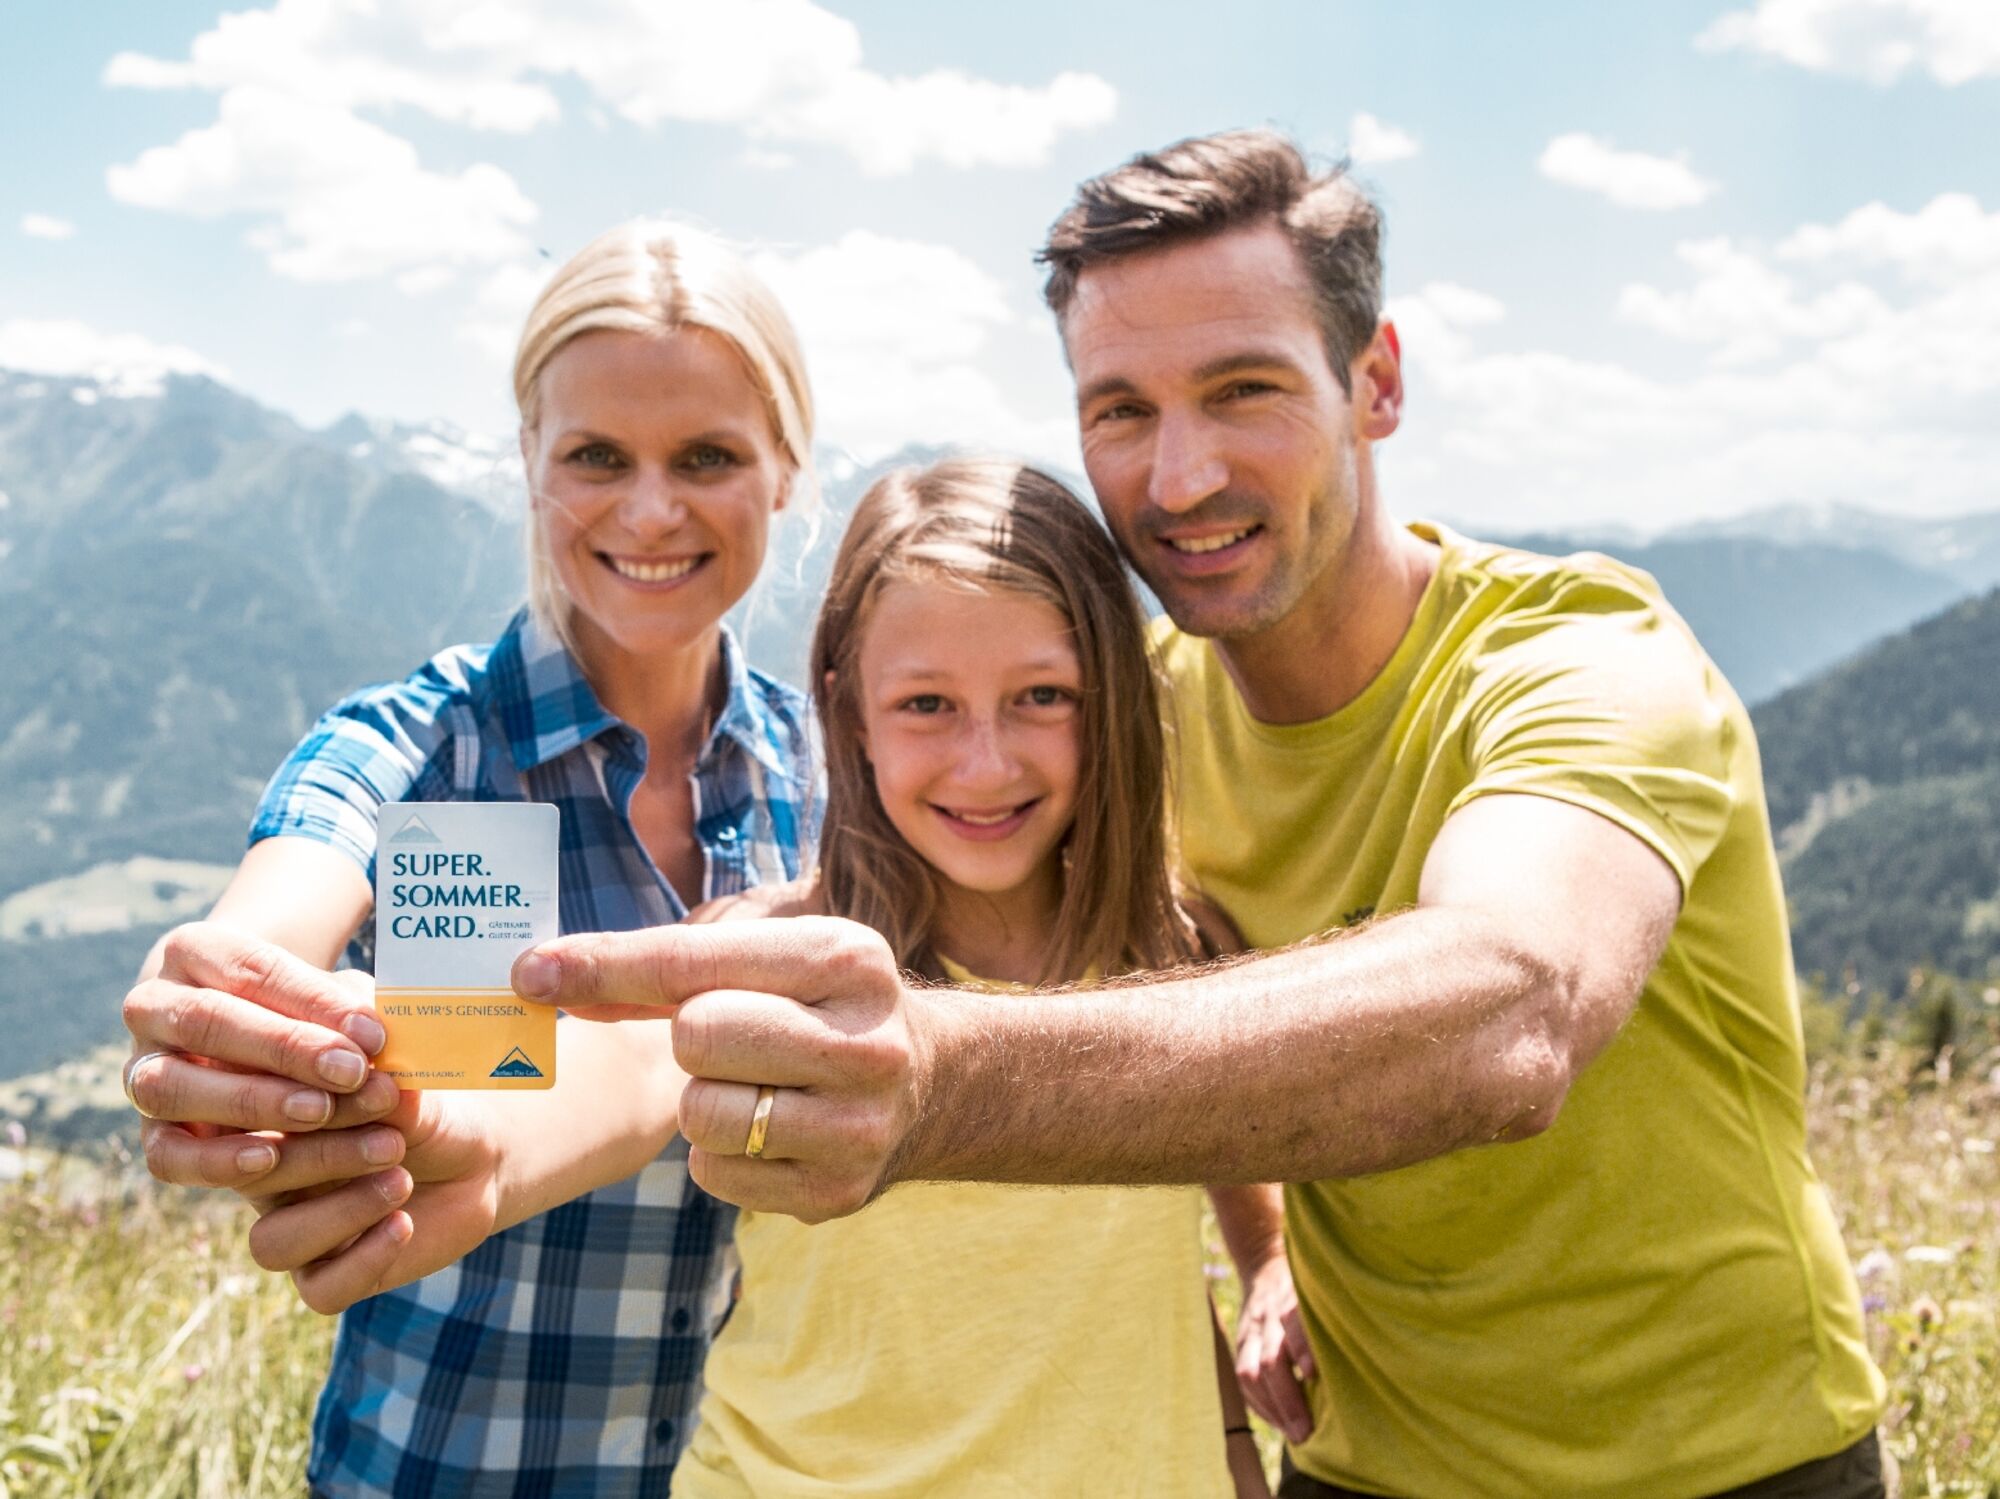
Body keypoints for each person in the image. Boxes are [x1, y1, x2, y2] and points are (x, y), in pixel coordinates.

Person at [139, 129, 1889, 1496]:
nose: (1180, 470)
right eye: (1122, 409)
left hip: (1699, 1461)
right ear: (523, 461)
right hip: (485, 1443)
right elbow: (553, 1060)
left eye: (1246, 387)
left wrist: (1219, 1241)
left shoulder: (865, 765)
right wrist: (339, 1074)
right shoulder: (478, 752)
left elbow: (1456, 997)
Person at [219, 458, 1291, 1496]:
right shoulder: (780, 951)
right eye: (925, 704)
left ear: (1109, 698)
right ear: (848, 709)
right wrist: (483, 1142)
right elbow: (636, 1065)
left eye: (1041, 695)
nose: (984, 762)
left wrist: (1265, 1277)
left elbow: (1210, 1127)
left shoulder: (1172, 944)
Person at [118, 219, 820, 1497]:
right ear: (530, 464)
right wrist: (232, 1000)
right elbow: (289, 890)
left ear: (784, 469)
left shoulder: (820, 775)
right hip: (433, 1466)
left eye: (707, 455)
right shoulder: (430, 752)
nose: (650, 509)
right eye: (597, 456)